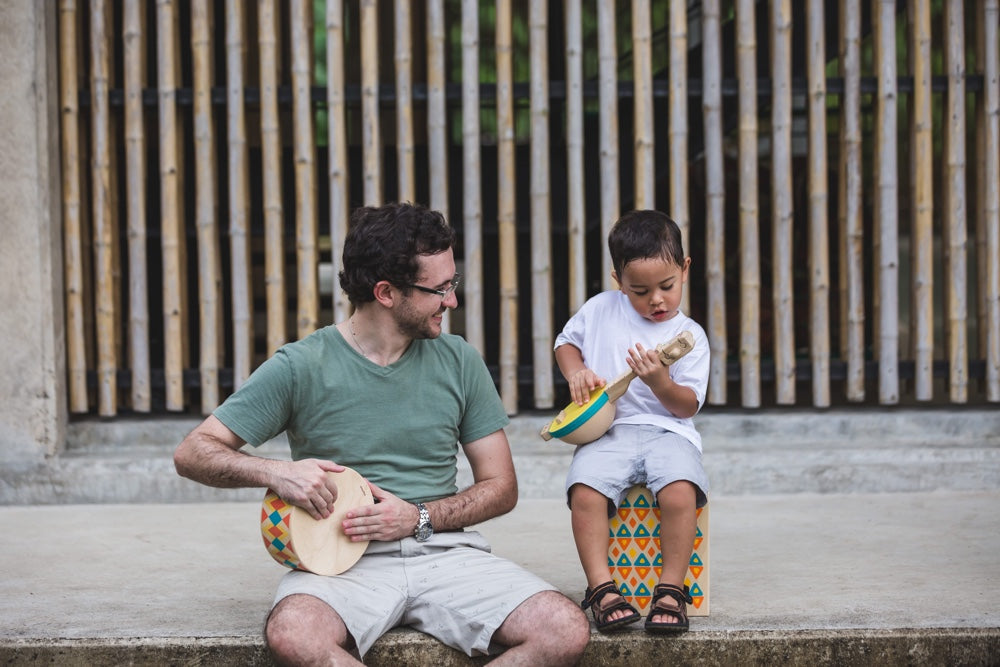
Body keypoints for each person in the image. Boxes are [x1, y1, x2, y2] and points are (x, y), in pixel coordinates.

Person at [174, 202, 589, 665]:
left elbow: (502, 487)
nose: (451, 300)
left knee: (564, 628)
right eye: (439, 289)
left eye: (453, 284)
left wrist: (418, 517)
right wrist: (276, 472)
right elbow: (193, 452)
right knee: (293, 633)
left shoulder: (460, 360)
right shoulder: (300, 365)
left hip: (445, 552)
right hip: (338, 564)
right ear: (387, 292)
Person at [553, 209, 710, 635]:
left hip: (668, 430)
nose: (656, 300)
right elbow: (566, 344)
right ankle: (601, 588)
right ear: (618, 280)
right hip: (610, 429)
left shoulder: (689, 337)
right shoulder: (601, 310)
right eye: (639, 290)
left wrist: (660, 382)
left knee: (680, 493)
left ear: (684, 268)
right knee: (584, 491)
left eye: (667, 286)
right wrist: (576, 373)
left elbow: (687, 406)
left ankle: (671, 590)